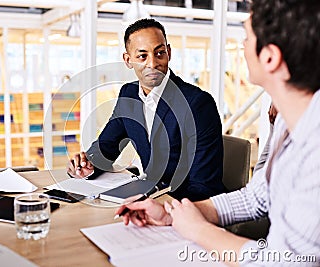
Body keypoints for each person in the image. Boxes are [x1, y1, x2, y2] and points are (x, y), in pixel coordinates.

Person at [116, 1, 320, 265]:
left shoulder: (314, 152)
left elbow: (285, 263)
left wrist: (199, 230)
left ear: (270, 57)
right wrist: (172, 213)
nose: (242, 46)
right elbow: (256, 197)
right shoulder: (286, 121)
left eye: (247, 38)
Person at [67, 18, 225, 200]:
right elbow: (106, 148)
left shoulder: (198, 104)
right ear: (128, 60)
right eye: (142, 56)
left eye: (159, 53)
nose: (153, 63)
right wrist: (87, 165)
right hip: (149, 199)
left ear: (169, 53)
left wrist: (158, 206)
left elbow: (204, 186)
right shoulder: (129, 95)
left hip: (186, 207)